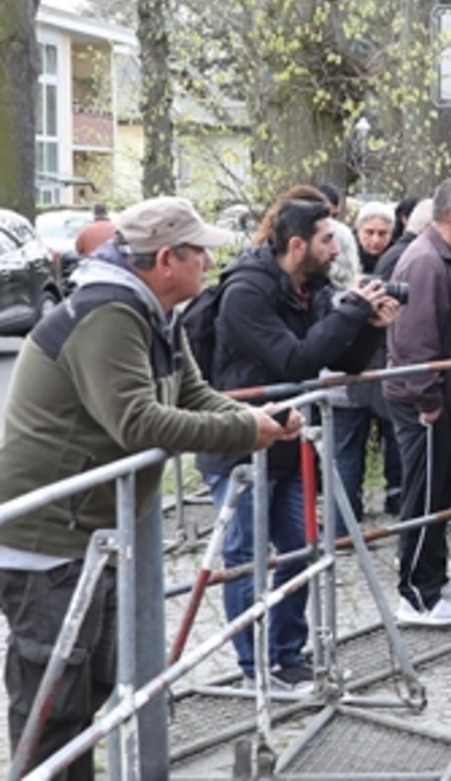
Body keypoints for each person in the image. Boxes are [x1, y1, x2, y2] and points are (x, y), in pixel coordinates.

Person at [0, 198, 294, 780]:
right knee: (53, 699)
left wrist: (265, 417)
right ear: (166, 259)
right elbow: (137, 421)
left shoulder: (155, 313)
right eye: (200, 252)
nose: (210, 261)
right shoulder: (109, 316)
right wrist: (244, 428)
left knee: (90, 685)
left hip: (87, 530)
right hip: (50, 537)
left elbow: (193, 394)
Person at [205, 194, 397, 688]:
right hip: (241, 446)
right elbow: (293, 361)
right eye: (327, 239)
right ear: (297, 244)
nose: (336, 249)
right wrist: (351, 312)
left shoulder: (309, 290)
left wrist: (371, 326)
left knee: (300, 550)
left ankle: (288, 656)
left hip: (290, 446)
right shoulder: (246, 294)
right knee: (245, 559)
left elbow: (342, 363)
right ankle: (253, 671)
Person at [384, 180, 451, 625]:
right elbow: (415, 341)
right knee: (424, 494)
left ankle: (434, 578)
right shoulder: (427, 263)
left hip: (440, 401)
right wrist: (428, 399)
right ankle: (417, 594)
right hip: (424, 403)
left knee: (437, 491)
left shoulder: (442, 258)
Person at [356, 203, 395, 275]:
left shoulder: (397, 257)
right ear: (358, 231)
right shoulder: (346, 256)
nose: (376, 240)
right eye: (369, 232)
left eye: (382, 233)